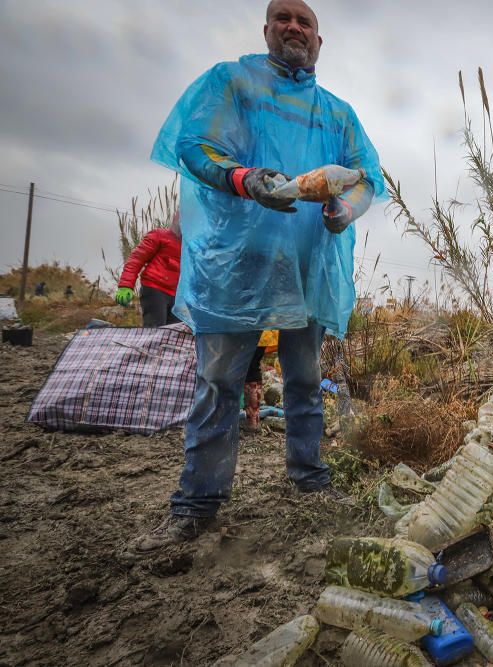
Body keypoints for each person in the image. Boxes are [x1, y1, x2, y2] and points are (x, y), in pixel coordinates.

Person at [130, 0, 383, 553]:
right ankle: (197, 502)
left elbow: (368, 176)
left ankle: (309, 477)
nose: (294, 27)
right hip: (236, 264)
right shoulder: (232, 84)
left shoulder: (338, 114)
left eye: (305, 21)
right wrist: (245, 179)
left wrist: (345, 210)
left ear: (320, 39)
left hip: (307, 265)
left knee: (305, 378)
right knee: (220, 381)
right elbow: (194, 146)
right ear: (266, 29)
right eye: (283, 18)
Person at [115, 212, 182, 327]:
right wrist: (126, 285)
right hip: (155, 289)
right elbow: (136, 259)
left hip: (177, 295)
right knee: (154, 329)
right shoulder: (159, 236)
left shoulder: (191, 247)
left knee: (174, 333)